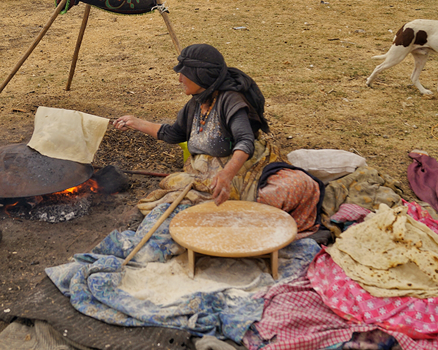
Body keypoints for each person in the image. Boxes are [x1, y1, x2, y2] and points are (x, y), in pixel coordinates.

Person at [114, 43, 321, 237]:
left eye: (183, 73)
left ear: (200, 75)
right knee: (173, 194)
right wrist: (136, 123)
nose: (179, 79)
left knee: (298, 186)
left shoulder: (230, 100)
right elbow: (173, 133)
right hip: (206, 174)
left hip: (245, 168)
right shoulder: (195, 104)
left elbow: (245, 140)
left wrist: (227, 174)